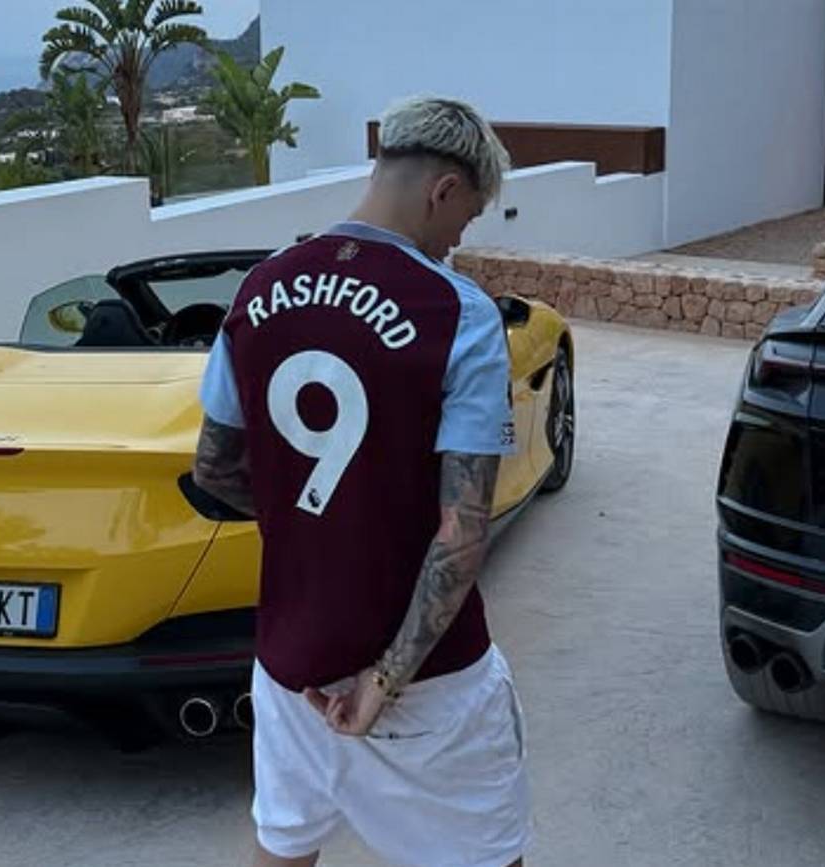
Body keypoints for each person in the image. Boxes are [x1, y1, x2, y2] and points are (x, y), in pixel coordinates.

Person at [193, 95, 529, 867]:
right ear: (445, 189)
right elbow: (462, 530)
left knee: (285, 843)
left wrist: (313, 520)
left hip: (291, 660)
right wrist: (383, 680)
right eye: (467, 217)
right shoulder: (459, 313)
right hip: (430, 684)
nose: (458, 240)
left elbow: (212, 466)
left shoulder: (258, 289)